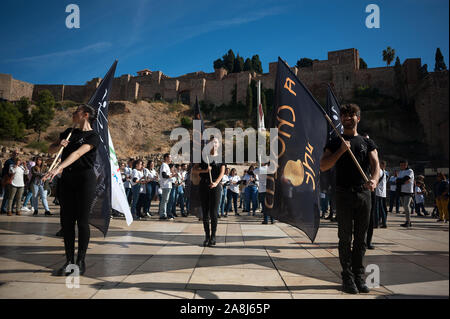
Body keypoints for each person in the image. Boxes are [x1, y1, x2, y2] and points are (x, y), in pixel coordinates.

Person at [320, 103, 379, 295]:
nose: (347, 118)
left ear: (358, 118)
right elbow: (323, 166)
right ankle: (347, 276)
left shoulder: (366, 142)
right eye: (344, 115)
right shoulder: (335, 141)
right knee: (344, 238)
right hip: (343, 193)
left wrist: (374, 180)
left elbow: (375, 164)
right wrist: (340, 152)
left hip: (364, 194)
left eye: (351, 115)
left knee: (361, 239)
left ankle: (359, 275)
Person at [44, 104, 100, 276]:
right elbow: (51, 150)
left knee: (82, 221)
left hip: (85, 179)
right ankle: (68, 261)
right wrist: (57, 144)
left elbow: (76, 154)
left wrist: (57, 168)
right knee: (67, 221)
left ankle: (80, 261)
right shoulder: (69, 132)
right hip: (67, 179)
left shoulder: (93, 136)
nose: (73, 113)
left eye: (76, 111)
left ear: (85, 114)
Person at [193, 137, 225, 247]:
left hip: (215, 186)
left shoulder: (221, 158)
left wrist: (216, 183)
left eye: (216, 142)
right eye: (212, 142)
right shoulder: (203, 157)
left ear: (219, 145)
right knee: (205, 213)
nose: (214, 144)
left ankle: (213, 236)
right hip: (204, 185)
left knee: (214, 213)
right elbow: (194, 170)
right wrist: (205, 170)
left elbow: (222, 172)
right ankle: (207, 236)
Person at [158, 153, 177, 220]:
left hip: (168, 185)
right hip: (165, 185)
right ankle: (162, 214)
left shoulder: (166, 165)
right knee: (164, 200)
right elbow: (164, 175)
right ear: (166, 158)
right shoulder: (164, 165)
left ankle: (164, 213)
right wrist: (172, 175)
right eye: (169, 158)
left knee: (166, 200)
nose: (170, 159)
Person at [397, 160, 414, 228]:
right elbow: (398, 181)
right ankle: (407, 221)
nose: (402, 166)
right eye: (401, 165)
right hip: (401, 191)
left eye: (403, 165)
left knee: (406, 206)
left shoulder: (410, 171)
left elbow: (407, 179)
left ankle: (408, 222)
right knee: (404, 207)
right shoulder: (400, 172)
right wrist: (402, 181)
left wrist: (401, 181)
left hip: (408, 191)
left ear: (406, 165)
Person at [1, 149, 18, 214]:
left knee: (13, 196)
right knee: (7, 195)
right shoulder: (9, 161)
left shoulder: (17, 162)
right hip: (8, 180)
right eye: (15, 153)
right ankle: (3, 208)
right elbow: (6, 171)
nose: (16, 155)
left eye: (17, 154)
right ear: (12, 154)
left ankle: (9, 208)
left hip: (15, 180)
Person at [374, 160, 387, 228]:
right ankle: (384, 223)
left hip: (378, 192)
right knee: (382, 208)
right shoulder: (384, 172)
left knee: (376, 208)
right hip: (382, 193)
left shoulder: (379, 171)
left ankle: (376, 223)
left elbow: (376, 181)